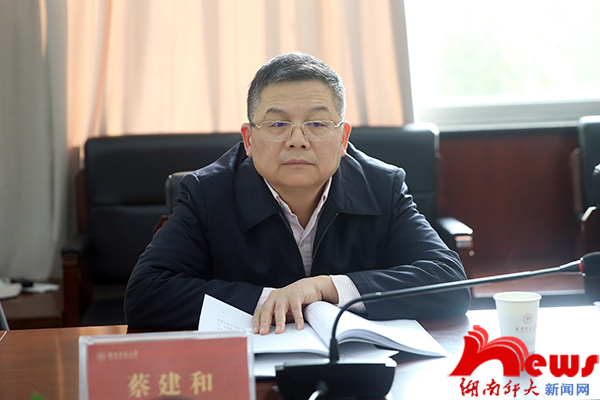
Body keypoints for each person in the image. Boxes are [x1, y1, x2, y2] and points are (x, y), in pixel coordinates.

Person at [124, 52, 470, 333]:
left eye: (317, 123)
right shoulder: (207, 193)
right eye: (278, 124)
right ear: (248, 139)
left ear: (343, 138)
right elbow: (146, 294)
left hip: (355, 364)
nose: (298, 140)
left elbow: (449, 283)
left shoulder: (382, 186)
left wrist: (324, 288)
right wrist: (272, 301)